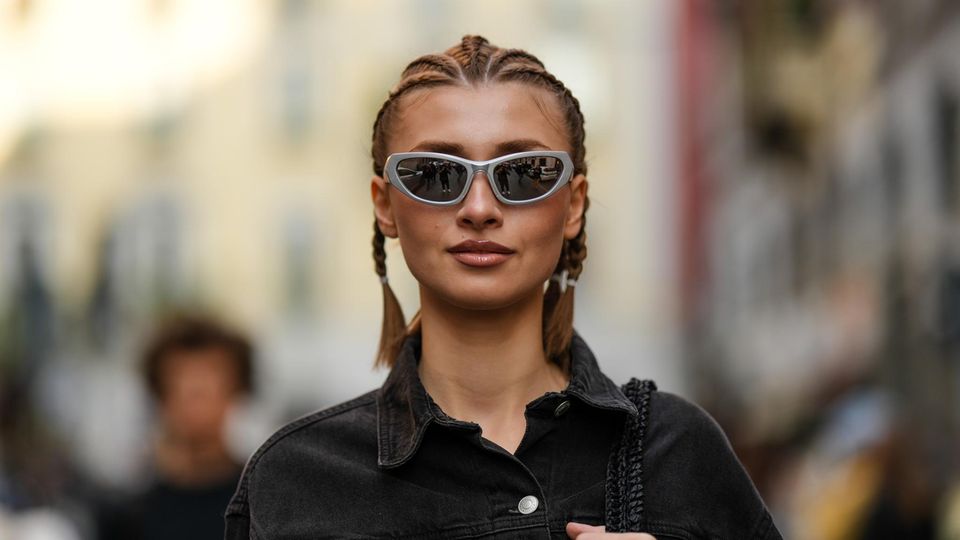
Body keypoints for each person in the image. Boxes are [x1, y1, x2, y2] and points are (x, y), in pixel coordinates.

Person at [225, 36, 782, 540]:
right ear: (384, 203)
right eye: (437, 173)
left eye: (524, 172)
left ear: (574, 203)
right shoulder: (295, 481)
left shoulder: (678, 451)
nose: (480, 208)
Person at [99, 316, 254, 540]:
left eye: (209, 384)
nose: (196, 400)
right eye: (182, 385)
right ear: (160, 396)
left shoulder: (264, 505)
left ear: (237, 391)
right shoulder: (128, 516)